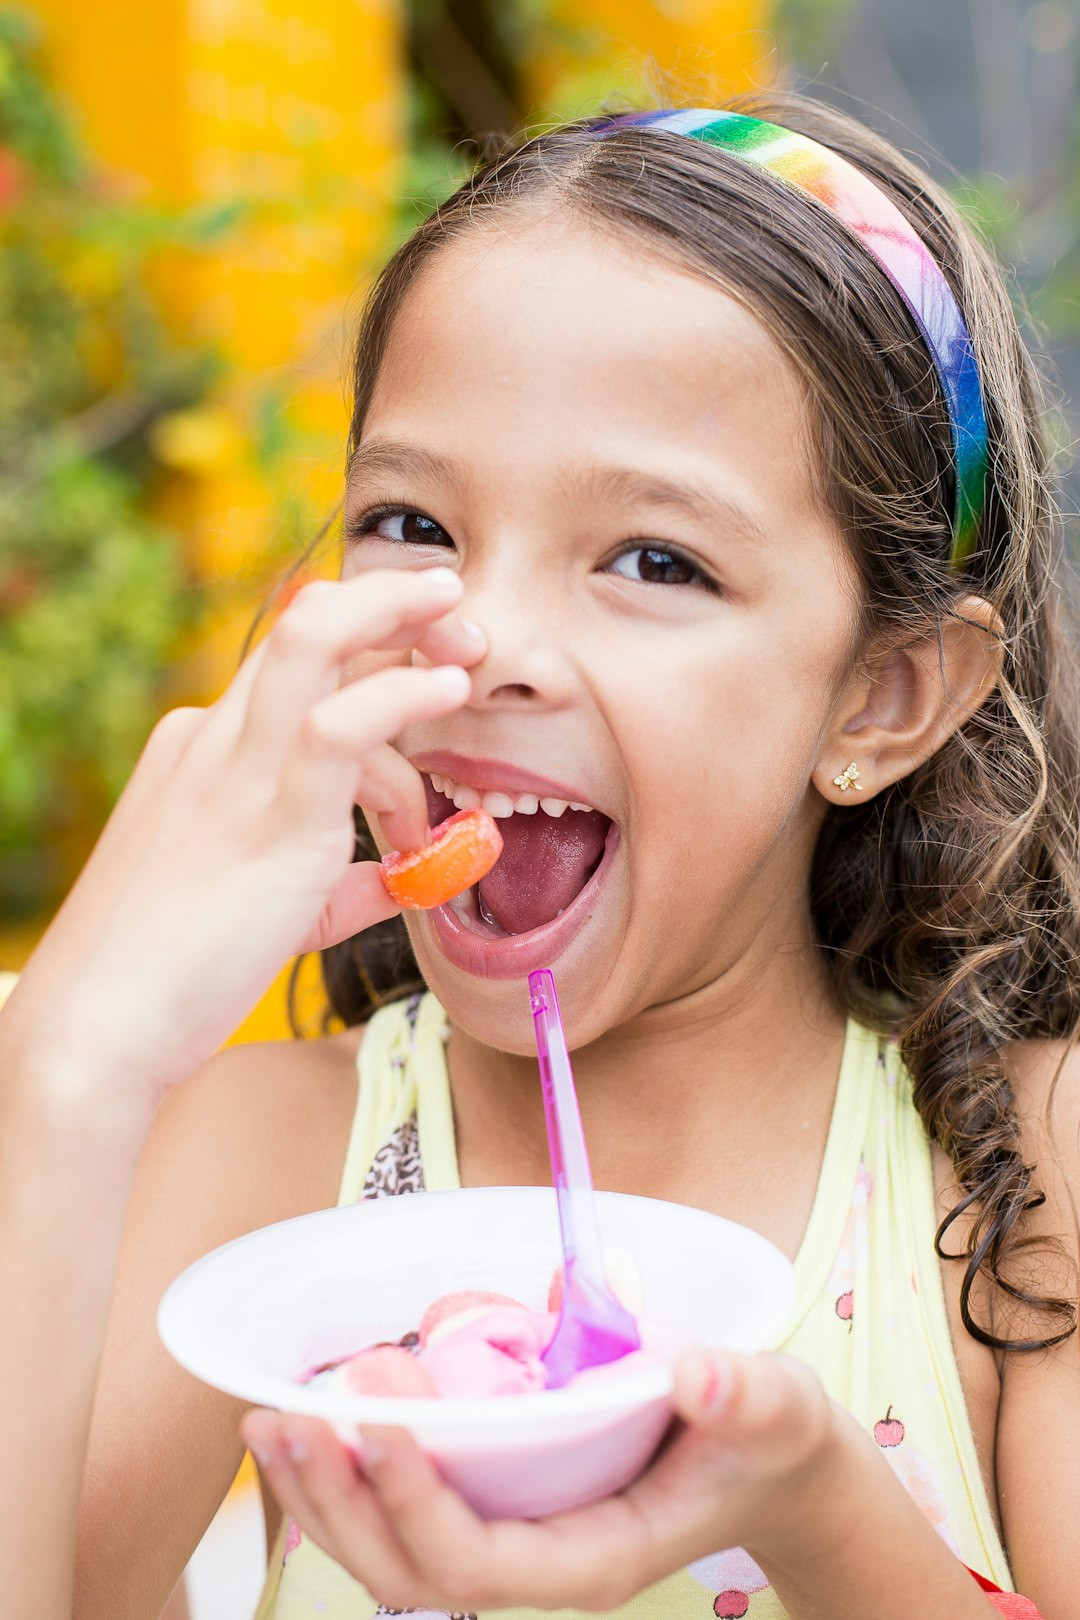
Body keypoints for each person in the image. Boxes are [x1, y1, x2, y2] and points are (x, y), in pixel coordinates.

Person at [0, 90, 1075, 1620]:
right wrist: (71, 1062)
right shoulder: (272, 1167)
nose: (482, 639)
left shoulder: (1028, 1182)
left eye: (655, 558)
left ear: (881, 696)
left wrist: (815, 1510)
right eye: (412, 523)